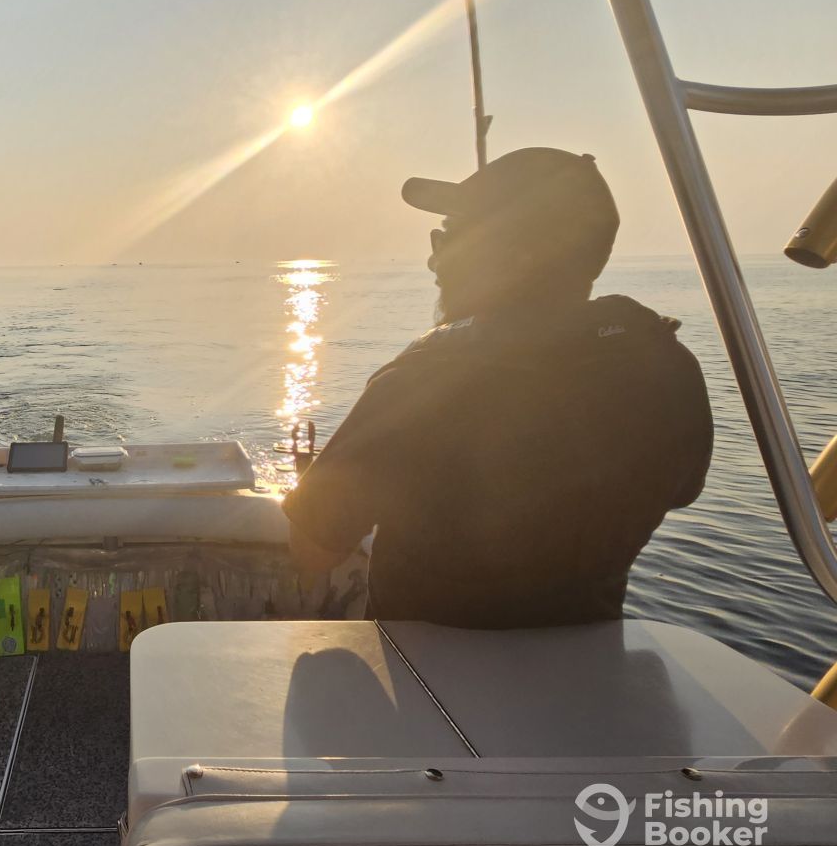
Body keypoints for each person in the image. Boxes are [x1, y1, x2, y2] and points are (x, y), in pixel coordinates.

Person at [283, 147, 713, 628]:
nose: (434, 260)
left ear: (512, 254)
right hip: (590, 662)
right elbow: (683, 491)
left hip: (429, 669)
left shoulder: (421, 382)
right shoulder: (669, 369)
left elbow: (314, 550)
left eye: (450, 238)